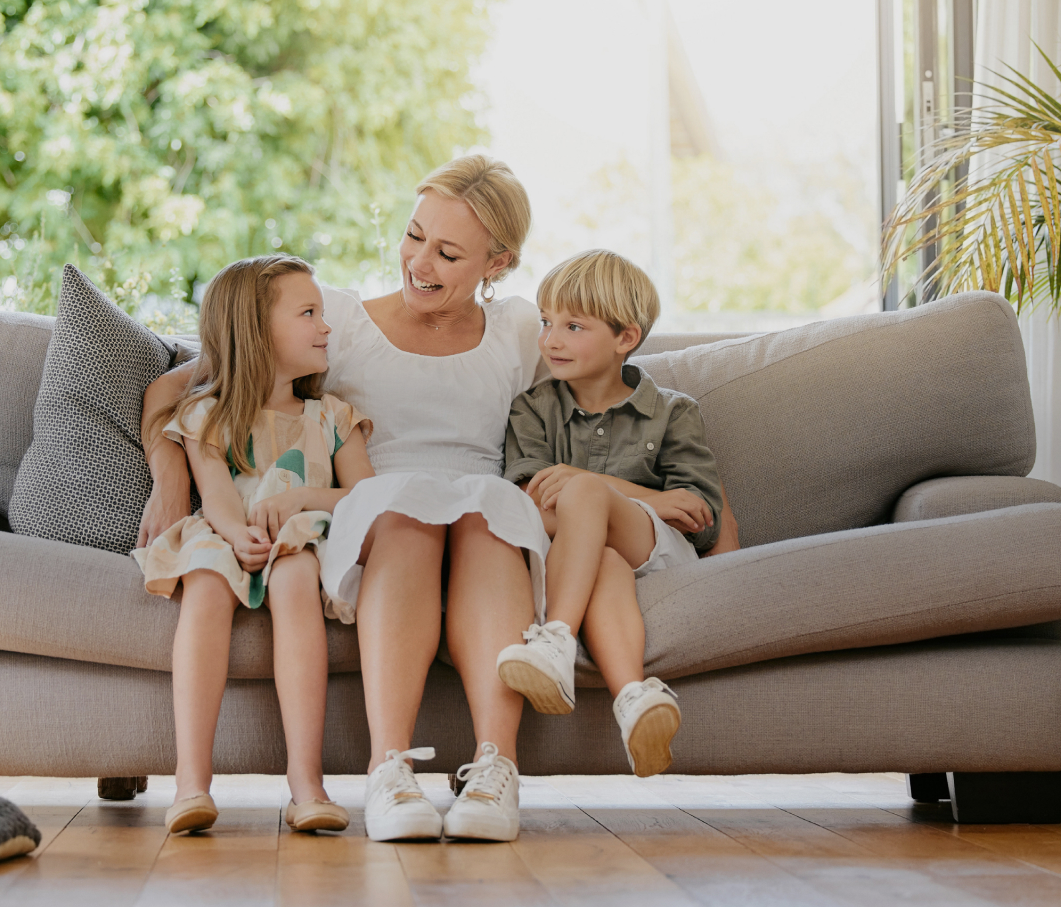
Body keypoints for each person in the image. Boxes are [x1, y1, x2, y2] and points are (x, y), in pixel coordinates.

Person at [141, 157, 742, 843]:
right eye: (414, 235)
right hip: (379, 515)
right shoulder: (337, 321)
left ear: (497, 262)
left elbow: (621, 396)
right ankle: (389, 770)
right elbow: (177, 388)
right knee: (410, 516)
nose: (419, 262)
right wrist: (170, 477)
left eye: (448, 253)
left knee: (487, 516)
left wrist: (711, 532)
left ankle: (495, 769)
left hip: (485, 513)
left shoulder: (522, 329)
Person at [131, 254, 374, 836]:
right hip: (228, 530)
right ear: (256, 331)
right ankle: (191, 782)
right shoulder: (208, 415)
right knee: (206, 580)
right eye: (309, 314)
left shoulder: (332, 417)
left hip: (300, 538)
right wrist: (236, 533)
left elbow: (367, 497)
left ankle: (306, 784)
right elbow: (215, 495)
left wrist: (304, 499)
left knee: (294, 576)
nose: (326, 327)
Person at [497, 249, 733, 779]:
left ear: (625, 337)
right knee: (601, 554)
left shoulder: (672, 411)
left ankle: (555, 637)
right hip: (582, 557)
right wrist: (648, 496)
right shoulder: (532, 408)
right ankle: (634, 700)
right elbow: (525, 499)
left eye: (573, 326)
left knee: (580, 491)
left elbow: (701, 517)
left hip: (655, 550)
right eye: (546, 322)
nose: (550, 340)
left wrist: (599, 491)